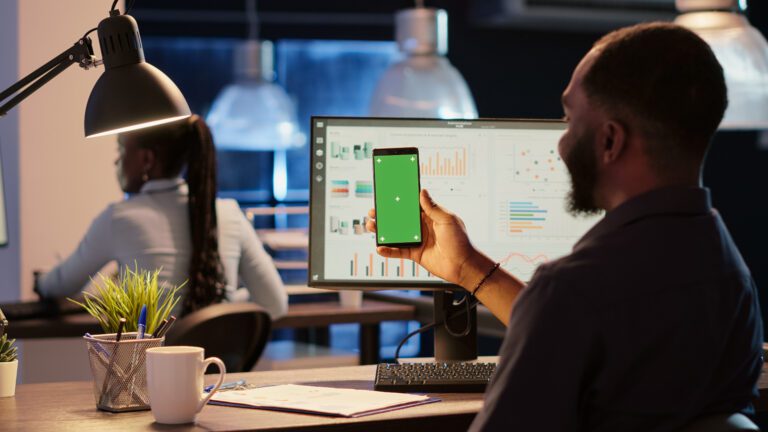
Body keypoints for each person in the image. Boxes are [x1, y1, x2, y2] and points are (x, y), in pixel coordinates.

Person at [367, 22, 763, 431]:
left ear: (610, 141)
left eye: (570, 118)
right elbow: (577, 331)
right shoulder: (732, 276)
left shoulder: (572, 290)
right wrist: (465, 266)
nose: (560, 142)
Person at [37, 115, 288, 319]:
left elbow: (59, 287)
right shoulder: (228, 213)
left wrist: (41, 281)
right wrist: (225, 301)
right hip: (221, 375)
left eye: (122, 149)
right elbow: (275, 304)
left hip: (148, 377)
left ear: (147, 159)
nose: (117, 160)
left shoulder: (121, 218)